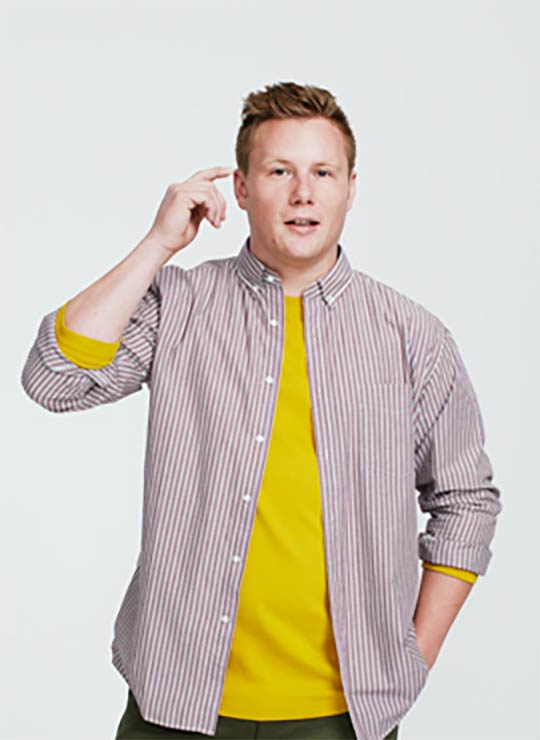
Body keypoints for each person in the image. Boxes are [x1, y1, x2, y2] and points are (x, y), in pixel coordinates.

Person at [21, 81, 502, 740]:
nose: (303, 192)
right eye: (279, 171)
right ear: (242, 190)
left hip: (342, 715)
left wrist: (412, 656)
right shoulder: (179, 305)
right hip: (176, 700)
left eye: (323, 172)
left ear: (350, 189)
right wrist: (157, 245)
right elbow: (55, 381)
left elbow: (466, 499)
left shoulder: (411, 335)